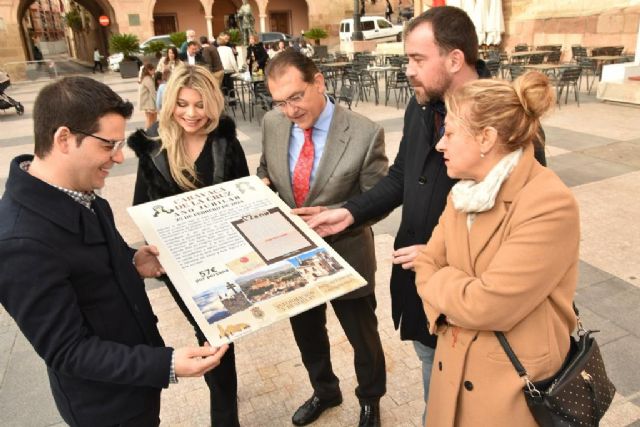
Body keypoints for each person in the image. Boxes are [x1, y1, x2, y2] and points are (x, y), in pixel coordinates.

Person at [301, 6, 547, 420]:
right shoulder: (421, 104)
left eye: (417, 59)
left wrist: (442, 260)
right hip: (420, 287)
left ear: (454, 59)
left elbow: (522, 234)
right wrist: (348, 213)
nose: (408, 70)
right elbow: (402, 176)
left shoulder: (508, 121)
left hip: (471, 306)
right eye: (406, 59)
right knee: (431, 369)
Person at [0, 76, 228, 427]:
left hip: (132, 384)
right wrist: (166, 364)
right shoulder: (19, 243)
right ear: (64, 139)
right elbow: (67, 349)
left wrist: (131, 262)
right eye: (108, 146)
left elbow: (91, 267)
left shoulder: (80, 192)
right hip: (104, 406)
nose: (119, 158)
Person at [414, 72, 579, 426]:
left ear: (486, 138)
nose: (440, 144)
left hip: (510, 392)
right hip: (453, 370)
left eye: (451, 133)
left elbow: (489, 305)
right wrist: (456, 291)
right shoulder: (464, 191)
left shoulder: (549, 202)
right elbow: (427, 260)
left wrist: (442, 287)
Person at [257, 50, 388, 427]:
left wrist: (340, 213)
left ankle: (370, 400)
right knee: (308, 334)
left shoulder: (364, 132)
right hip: (292, 255)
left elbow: (377, 199)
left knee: (363, 338)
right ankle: (325, 390)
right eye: (280, 102)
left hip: (348, 253)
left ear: (318, 82)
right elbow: (267, 168)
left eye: (296, 97)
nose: (289, 111)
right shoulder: (272, 123)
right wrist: (263, 184)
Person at [128, 64, 249, 427]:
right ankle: (225, 412)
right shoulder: (152, 145)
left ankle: (223, 404)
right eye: (182, 104)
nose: (192, 114)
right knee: (211, 331)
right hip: (178, 265)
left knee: (220, 332)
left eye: (200, 104)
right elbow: (141, 204)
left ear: (212, 103)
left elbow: (245, 195)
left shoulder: (225, 142)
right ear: (170, 103)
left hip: (225, 258)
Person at [138, 62, 157, 130]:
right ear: (149, 70)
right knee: (150, 119)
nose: (154, 71)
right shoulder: (147, 79)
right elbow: (153, 92)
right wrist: (158, 102)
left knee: (153, 119)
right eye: (153, 70)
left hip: (148, 102)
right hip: (148, 103)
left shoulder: (147, 78)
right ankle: (148, 134)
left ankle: (151, 132)